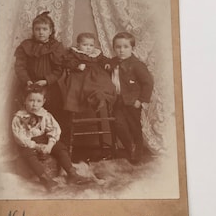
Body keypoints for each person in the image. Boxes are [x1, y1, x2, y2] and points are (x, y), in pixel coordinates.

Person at [11, 84, 89, 191]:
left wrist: (50, 145)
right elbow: (20, 137)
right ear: (24, 100)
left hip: (44, 139)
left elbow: (54, 129)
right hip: (27, 143)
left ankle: (72, 174)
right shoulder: (19, 117)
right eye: (31, 100)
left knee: (60, 147)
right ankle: (46, 179)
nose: (34, 104)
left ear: (43, 102)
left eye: (38, 101)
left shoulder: (45, 115)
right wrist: (37, 146)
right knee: (28, 154)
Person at [111, 32, 154, 164]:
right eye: (118, 47)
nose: (121, 50)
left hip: (132, 102)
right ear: (114, 48)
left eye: (125, 47)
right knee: (118, 124)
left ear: (132, 48)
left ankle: (137, 155)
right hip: (117, 101)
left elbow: (148, 83)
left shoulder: (137, 65)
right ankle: (130, 147)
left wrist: (140, 101)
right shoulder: (112, 62)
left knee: (134, 127)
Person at [14, 11, 65, 120]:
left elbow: (59, 69)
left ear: (50, 31)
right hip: (30, 84)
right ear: (33, 30)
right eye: (37, 29)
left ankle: (50, 135)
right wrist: (27, 80)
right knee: (28, 111)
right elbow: (20, 66)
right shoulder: (26, 45)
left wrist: (46, 81)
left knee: (52, 112)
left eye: (44, 29)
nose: (41, 32)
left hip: (49, 87)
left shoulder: (56, 47)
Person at [62, 32, 116, 113]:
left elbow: (104, 60)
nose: (88, 48)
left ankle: (101, 98)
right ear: (78, 45)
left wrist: (107, 64)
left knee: (106, 83)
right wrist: (77, 65)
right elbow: (67, 62)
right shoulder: (75, 54)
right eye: (85, 45)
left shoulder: (96, 54)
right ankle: (96, 99)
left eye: (91, 45)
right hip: (81, 75)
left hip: (97, 75)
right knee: (86, 86)